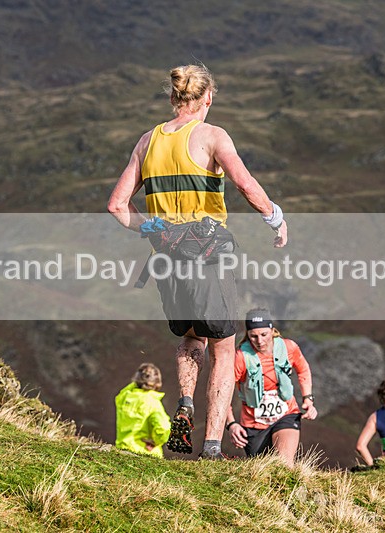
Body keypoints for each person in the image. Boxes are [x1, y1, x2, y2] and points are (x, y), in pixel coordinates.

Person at [108, 64, 288, 459]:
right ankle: (210, 446)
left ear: (174, 99)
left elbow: (118, 206)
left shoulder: (147, 141)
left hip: (166, 261)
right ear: (207, 98)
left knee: (192, 338)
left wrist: (153, 228)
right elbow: (244, 183)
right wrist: (275, 218)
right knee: (223, 348)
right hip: (208, 258)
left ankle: (186, 401)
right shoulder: (211, 136)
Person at [224, 309, 317, 466]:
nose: (259, 341)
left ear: (272, 330)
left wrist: (308, 398)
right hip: (253, 424)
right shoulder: (241, 357)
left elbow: (303, 369)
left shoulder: (289, 347)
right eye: (253, 336)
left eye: (264, 335)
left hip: (286, 415)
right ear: (248, 334)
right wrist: (231, 423)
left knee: (284, 464)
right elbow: (223, 390)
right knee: (262, 471)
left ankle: (292, 489)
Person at [115, 363, 171, 458]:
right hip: (145, 453)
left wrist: (137, 381)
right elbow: (164, 428)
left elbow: (129, 388)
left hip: (122, 448)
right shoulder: (153, 403)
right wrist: (156, 441)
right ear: (157, 383)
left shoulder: (124, 397)